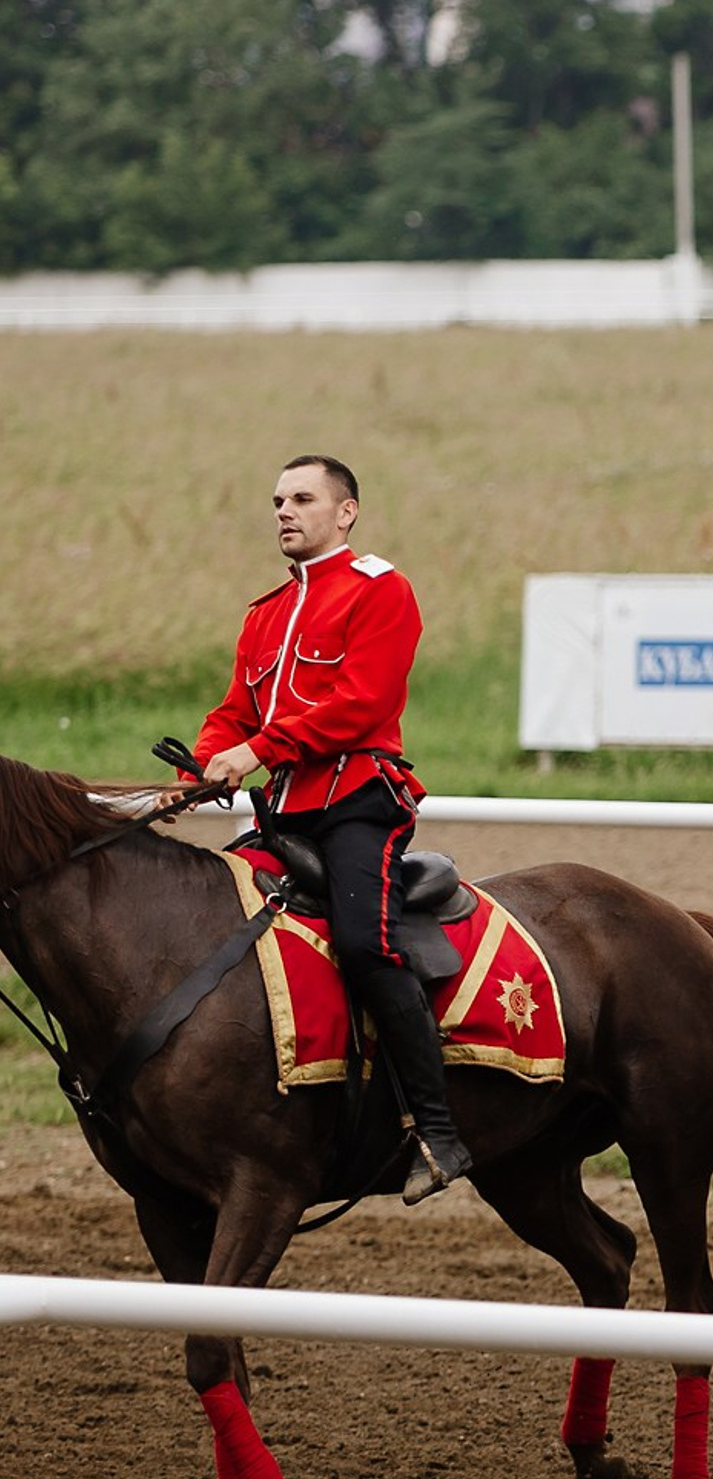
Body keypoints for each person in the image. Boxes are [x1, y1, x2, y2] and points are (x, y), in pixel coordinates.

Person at [192, 455, 471, 1204]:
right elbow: (234, 714)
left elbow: (358, 704)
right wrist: (203, 763)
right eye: (278, 500)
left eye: (303, 499)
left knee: (362, 943)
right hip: (282, 815)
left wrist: (255, 752)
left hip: (358, 805)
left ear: (345, 512)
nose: (284, 510)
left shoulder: (382, 592)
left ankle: (437, 1132)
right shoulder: (264, 614)